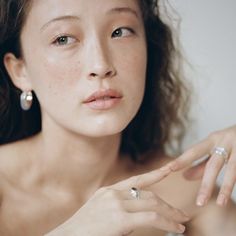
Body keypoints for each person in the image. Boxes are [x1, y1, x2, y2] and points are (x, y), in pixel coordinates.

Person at [0, 0, 235, 236]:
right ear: (20, 71)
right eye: (63, 39)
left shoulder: (189, 194)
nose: (101, 65)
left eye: (120, 31)